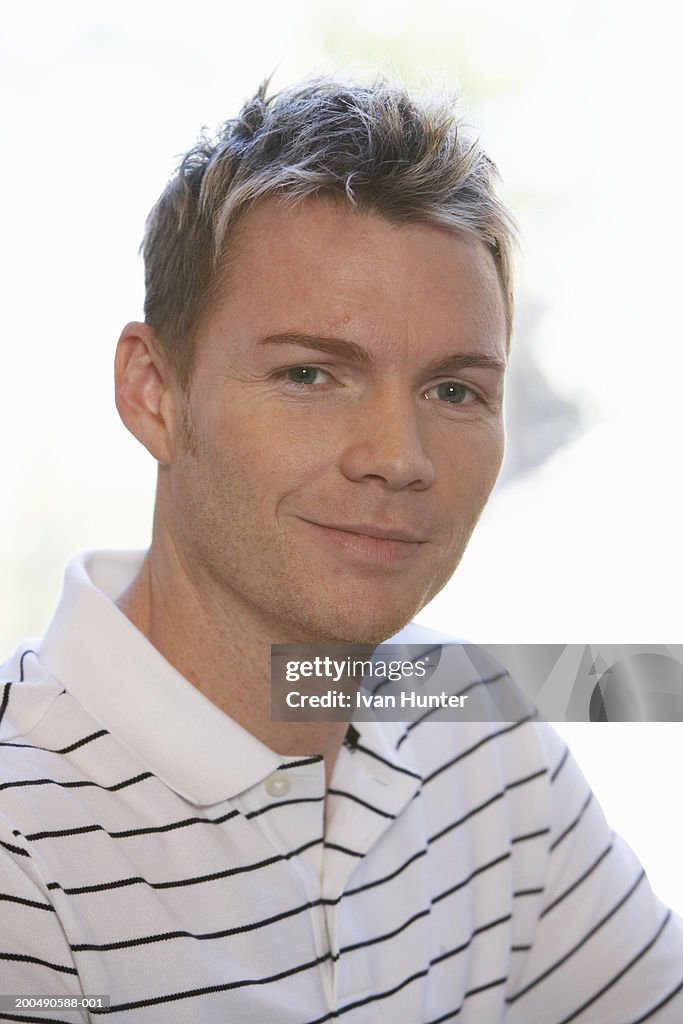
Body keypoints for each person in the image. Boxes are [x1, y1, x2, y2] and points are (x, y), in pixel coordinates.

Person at [0, 75, 681, 1024]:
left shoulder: (471, 720)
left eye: (453, 391)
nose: (398, 460)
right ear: (154, 393)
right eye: (311, 373)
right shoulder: (18, 839)